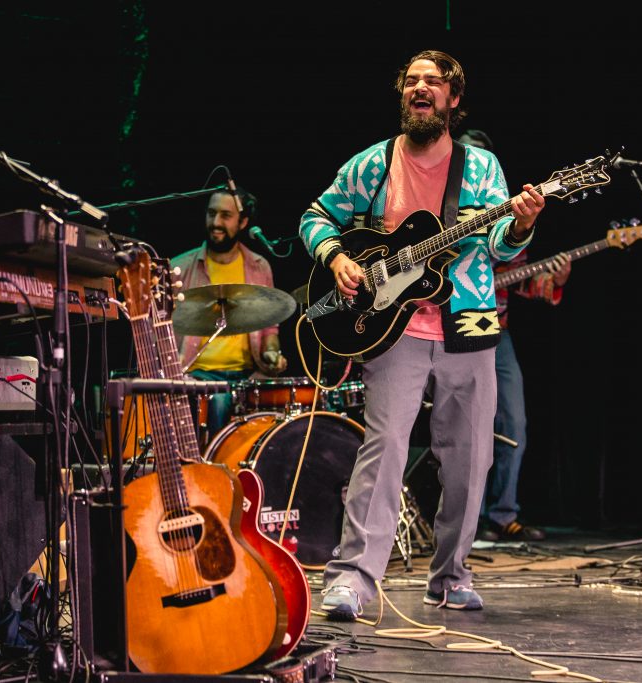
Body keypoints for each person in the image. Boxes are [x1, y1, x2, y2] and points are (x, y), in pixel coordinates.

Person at [299, 50, 545, 616]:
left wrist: (524, 222)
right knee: (383, 448)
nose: (421, 88)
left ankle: (451, 575)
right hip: (393, 326)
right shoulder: (372, 163)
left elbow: (500, 245)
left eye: (434, 82)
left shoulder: (482, 168)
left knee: (470, 455)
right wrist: (335, 257)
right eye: (412, 80)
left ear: (453, 100)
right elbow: (317, 215)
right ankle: (354, 578)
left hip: (471, 322)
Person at [456, 130, 571, 543]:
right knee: (452, 430)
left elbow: (518, 280)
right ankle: (455, 522)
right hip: (434, 330)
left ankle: (502, 514)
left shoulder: (505, 215)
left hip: (494, 333)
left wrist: (548, 279)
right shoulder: (434, 207)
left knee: (513, 424)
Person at [173, 187, 287, 436]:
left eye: (226, 215)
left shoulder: (259, 267)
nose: (216, 222)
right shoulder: (179, 267)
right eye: (211, 213)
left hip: (249, 375)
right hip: (198, 375)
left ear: (243, 221)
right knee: (220, 399)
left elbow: (270, 328)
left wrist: (271, 351)